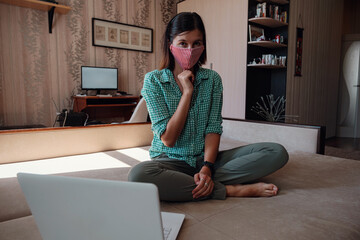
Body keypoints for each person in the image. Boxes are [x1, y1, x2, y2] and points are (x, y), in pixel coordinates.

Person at [128, 12, 288, 201]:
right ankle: (230, 190)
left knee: (276, 152)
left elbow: (213, 128)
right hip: (169, 161)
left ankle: (196, 182)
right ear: (170, 45)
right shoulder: (153, 80)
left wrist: (207, 166)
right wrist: (187, 93)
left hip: (206, 159)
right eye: (183, 43)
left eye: (197, 43)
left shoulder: (212, 79)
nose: (190, 49)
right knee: (138, 175)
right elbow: (168, 139)